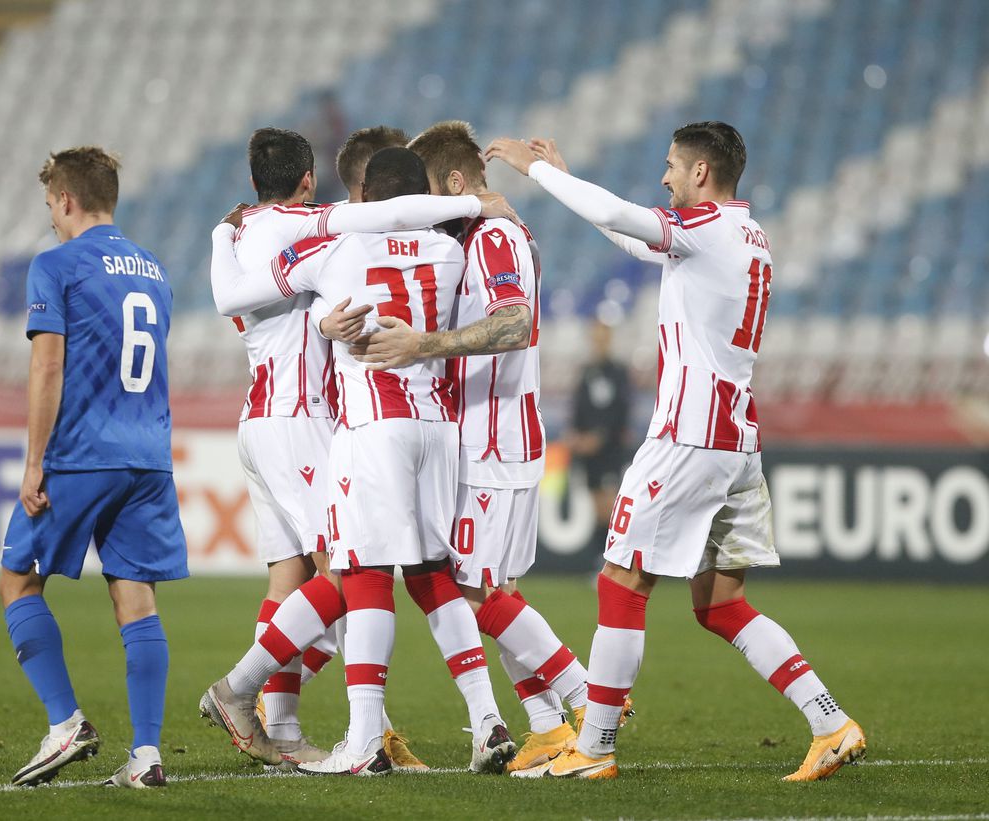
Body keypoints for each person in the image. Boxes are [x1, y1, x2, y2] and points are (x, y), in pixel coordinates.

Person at [485, 122, 865, 781]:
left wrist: (537, 172)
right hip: (736, 440)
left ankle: (594, 747)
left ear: (700, 173)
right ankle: (831, 721)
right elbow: (632, 233)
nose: (664, 177)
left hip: (689, 438)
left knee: (620, 581)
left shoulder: (708, 229)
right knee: (720, 604)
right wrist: (569, 172)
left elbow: (617, 213)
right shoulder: (747, 235)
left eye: (671, 166)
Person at [205, 127, 514, 768]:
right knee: (430, 576)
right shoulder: (453, 251)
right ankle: (487, 721)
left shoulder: (329, 246)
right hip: (437, 427)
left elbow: (235, 296)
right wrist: (474, 204)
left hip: (366, 427)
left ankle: (349, 731)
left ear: (364, 194)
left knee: (356, 574)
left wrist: (229, 242)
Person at [354, 121, 607, 773]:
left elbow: (515, 321)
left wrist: (424, 345)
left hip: (492, 444)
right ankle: (549, 725)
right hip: (489, 438)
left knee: (465, 593)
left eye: (431, 192)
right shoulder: (485, 231)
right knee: (488, 590)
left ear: (457, 185)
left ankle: (589, 698)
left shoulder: (495, 236)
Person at [0, 147, 188, 789]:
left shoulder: (57, 264)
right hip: (149, 457)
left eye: (51, 204)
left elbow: (48, 365)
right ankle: (147, 755)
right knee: (135, 596)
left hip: (82, 453)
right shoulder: (154, 269)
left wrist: (33, 463)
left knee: (16, 581)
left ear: (68, 200)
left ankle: (64, 723)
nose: (51, 216)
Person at [566, 320, 632, 551]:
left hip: (610, 450)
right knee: (597, 506)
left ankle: (618, 559)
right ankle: (604, 560)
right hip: (588, 451)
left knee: (610, 506)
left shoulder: (618, 371)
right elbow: (578, 407)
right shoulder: (587, 371)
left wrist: (599, 437)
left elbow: (621, 409)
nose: (599, 342)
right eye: (595, 337)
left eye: (603, 337)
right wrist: (575, 434)